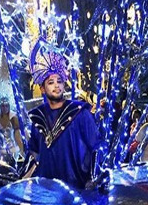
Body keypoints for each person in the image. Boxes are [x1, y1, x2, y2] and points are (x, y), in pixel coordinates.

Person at [27, 47, 99, 190]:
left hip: (76, 188)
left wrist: (92, 177)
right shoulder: (38, 117)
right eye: (51, 82)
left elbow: (96, 146)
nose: (56, 86)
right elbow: (34, 152)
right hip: (47, 191)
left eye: (59, 81)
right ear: (42, 88)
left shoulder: (80, 113)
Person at [0, 97, 24, 164]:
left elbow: (18, 135)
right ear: (0, 107)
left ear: (9, 106)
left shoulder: (13, 118)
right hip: (0, 148)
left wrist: (21, 148)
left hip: (12, 148)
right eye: (3, 106)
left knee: (12, 167)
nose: (5, 108)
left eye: (6, 106)